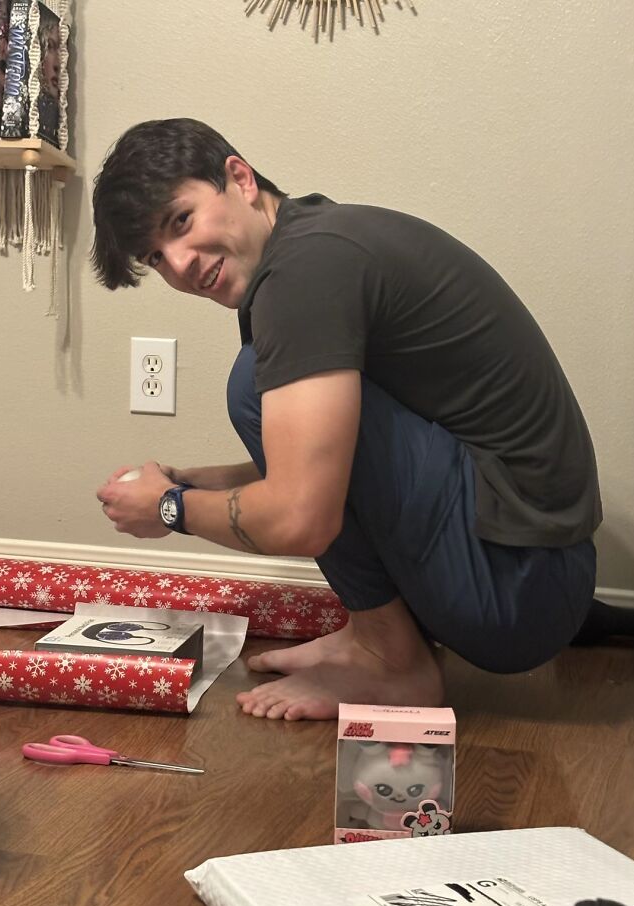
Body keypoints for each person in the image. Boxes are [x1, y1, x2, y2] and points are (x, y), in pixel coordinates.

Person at [92, 117, 605, 722]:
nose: (179, 264)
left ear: (240, 178)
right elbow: (333, 453)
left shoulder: (303, 276)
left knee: (250, 385)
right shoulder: (315, 246)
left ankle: (391, 660)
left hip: (520, 585)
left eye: (181, 221)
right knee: (274, 406)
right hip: (529, 572)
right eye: (156, 256)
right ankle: (371, 638)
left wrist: (169, 508)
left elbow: (301, 516)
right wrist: (189, 481)